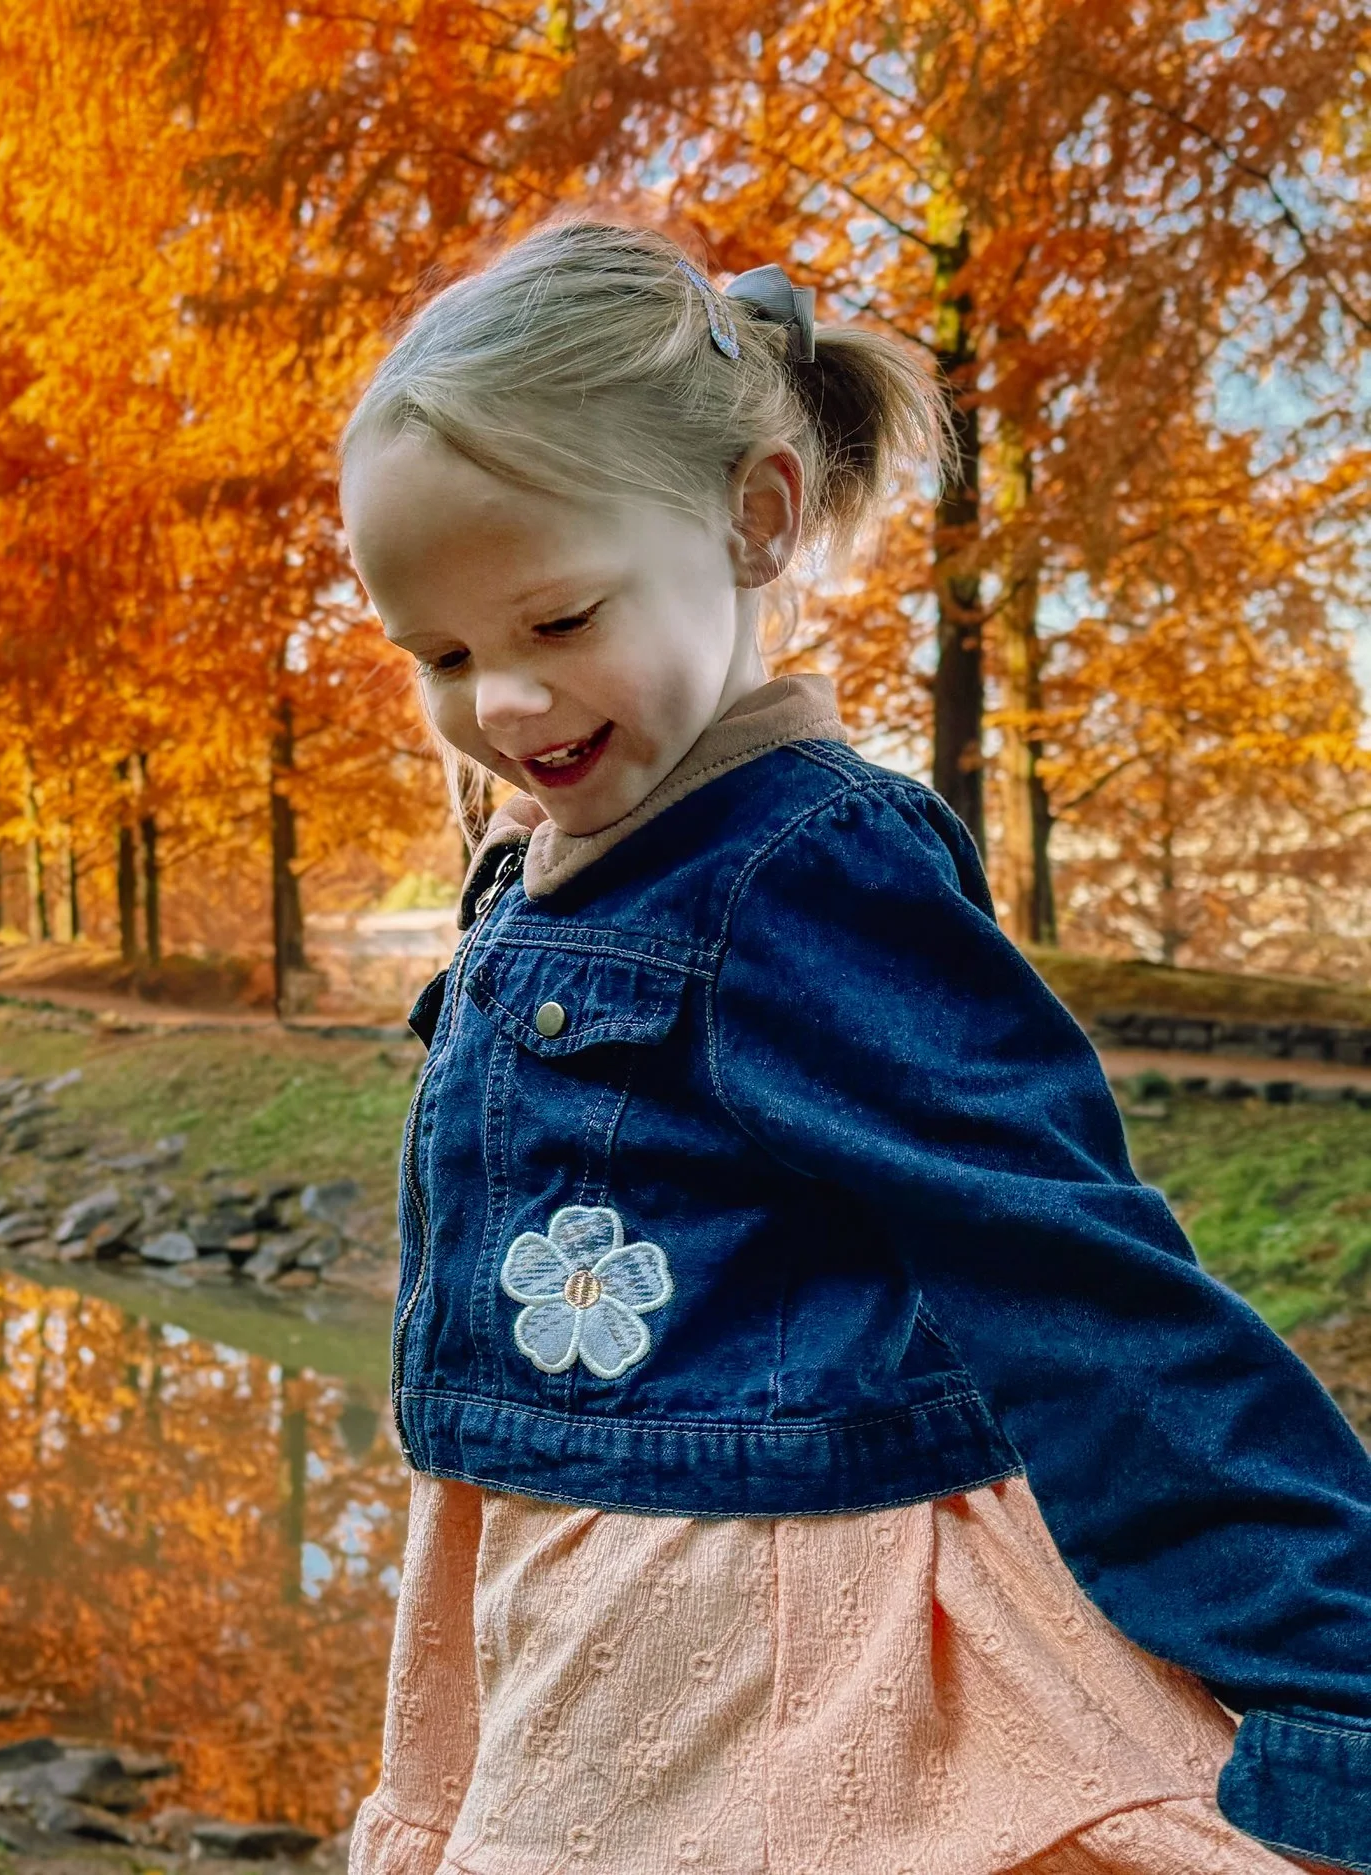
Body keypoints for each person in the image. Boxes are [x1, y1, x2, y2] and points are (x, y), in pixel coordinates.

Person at [335, 218, 1371, 1875]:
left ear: (754, 518)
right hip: (573, 1620)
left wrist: (1340, 1677)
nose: (505, 705)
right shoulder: (556, 855)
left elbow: (1073, 1266)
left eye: (556, 619)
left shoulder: (807, 868)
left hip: (755, 1674)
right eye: (444, 657)